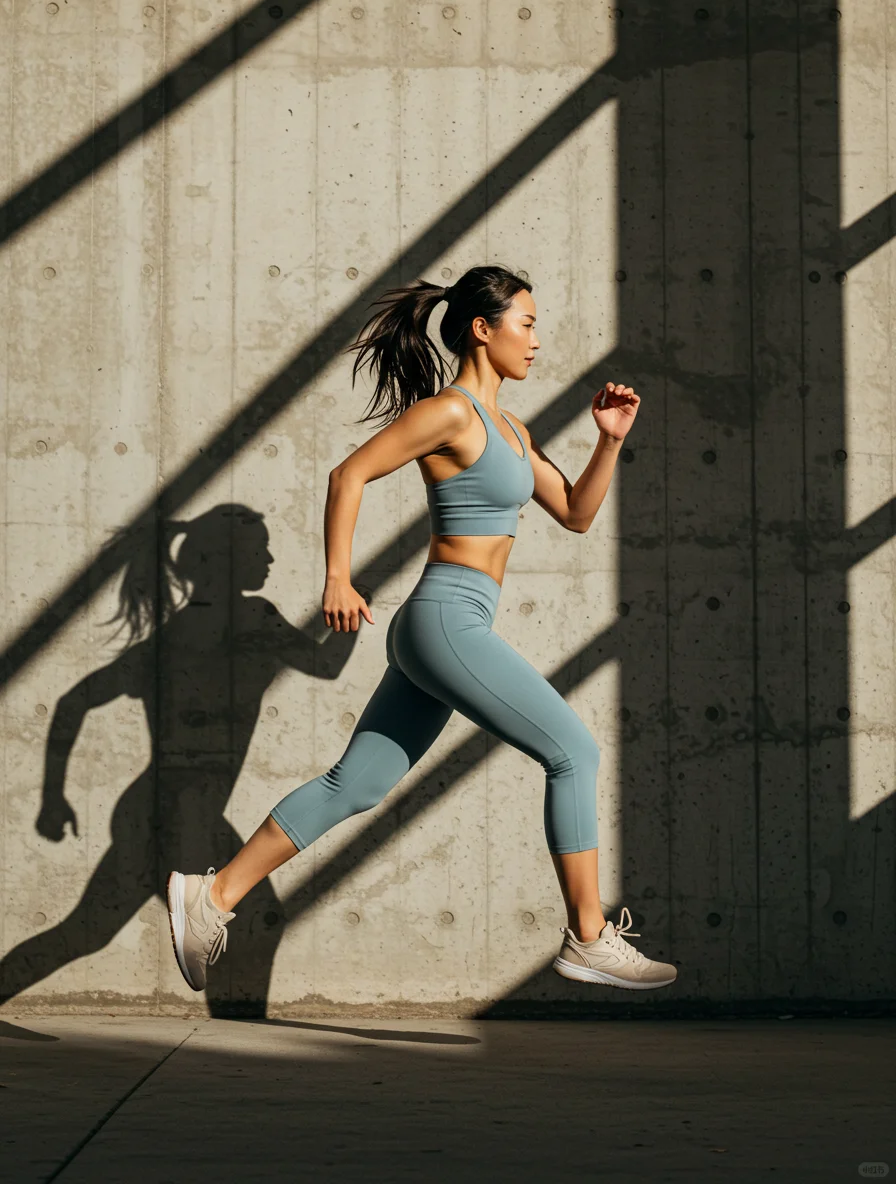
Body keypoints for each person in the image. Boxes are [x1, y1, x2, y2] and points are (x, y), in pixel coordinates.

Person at [166, 265, 678, 994]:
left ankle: (209, 897)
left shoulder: (509, 426)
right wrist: (338, 577)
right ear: (483, 328)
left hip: (447, 624)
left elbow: (575, 511)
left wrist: (610, 440)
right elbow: (349, 476)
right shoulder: (452, 414)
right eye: (526, 324)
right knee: (574, 751)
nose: (536, 341)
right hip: (446, 617)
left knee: (357, 783)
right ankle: (589, 936)